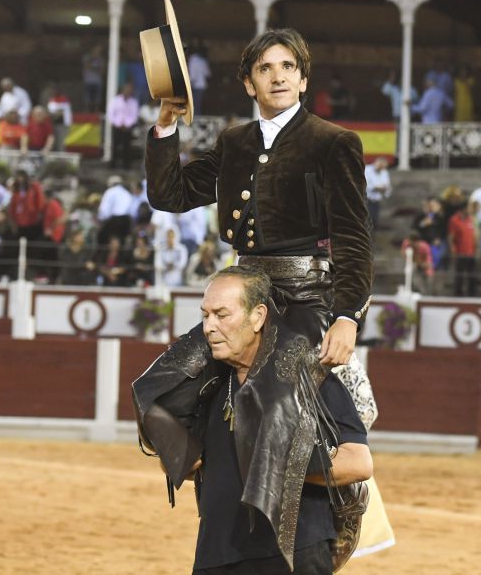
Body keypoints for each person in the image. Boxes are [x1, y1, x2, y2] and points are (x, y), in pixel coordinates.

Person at [146, 27, 372, 369]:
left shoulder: (333, 142)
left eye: (288, 67)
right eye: (265, 69)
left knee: (279, 403)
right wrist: (165, 127)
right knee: (160, 389)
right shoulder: (234, 142)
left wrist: (347, 317)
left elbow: (352, 235)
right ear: (250, 84)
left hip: (305, 297)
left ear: (303, 80)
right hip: (241, 297)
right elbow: (170, 196)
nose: (278, 77)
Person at [133, 266, 372, 574]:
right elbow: (187, 465)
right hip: (217, 553)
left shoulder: (309, 377)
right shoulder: (208, 387)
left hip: (293, 554)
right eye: (205, 315)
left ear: (258, 317)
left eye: (222, 314)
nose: (209, 327)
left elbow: (359, 463)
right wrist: (172, 448)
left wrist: (275, 465)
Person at [108, 82, 139, 169]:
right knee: (115, 146)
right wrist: (118, 124)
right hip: (116, 126)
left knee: (127, 147)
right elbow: (111, 114)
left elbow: (134, 116)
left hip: (128, 128)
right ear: (123, 90)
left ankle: (126, 165)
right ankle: (113, 164)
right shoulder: (115, 100)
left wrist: (127, 125)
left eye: (129, 90)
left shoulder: (134, 102)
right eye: (126, 90)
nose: (128, 92)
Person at [363, 157, 391, 235]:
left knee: (375, 222)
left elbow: (387, 188)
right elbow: (366, 185)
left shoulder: (384, 172)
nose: (381, 169)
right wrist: (377, 188)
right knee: (367, 221)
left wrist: (380, 188)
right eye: (381, 166)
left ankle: (372, 241)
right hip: (367, 200)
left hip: (376, 201)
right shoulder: (367, 170)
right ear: (377, 163)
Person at [187, 46, 212, 116]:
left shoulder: (192, 61)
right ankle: (198, 117)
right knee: (199, 104)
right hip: (203, 85)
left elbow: (193, 77)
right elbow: (208, 74)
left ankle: (195, 119)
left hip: (196, 86)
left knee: (195, 104)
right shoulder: (203, 60)